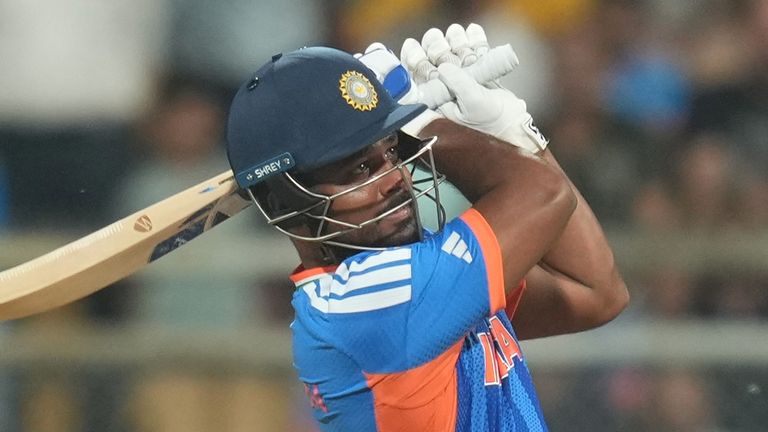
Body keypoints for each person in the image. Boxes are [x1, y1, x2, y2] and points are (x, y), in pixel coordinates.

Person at [225, 23, 628, 432]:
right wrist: (427, 122)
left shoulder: (422, 278)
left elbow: (596, 293)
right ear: (281, 204)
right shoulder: (368, 303)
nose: (395, 178)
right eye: (360, 169)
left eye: (393, 152)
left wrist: (515, 134)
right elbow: (544, 193)